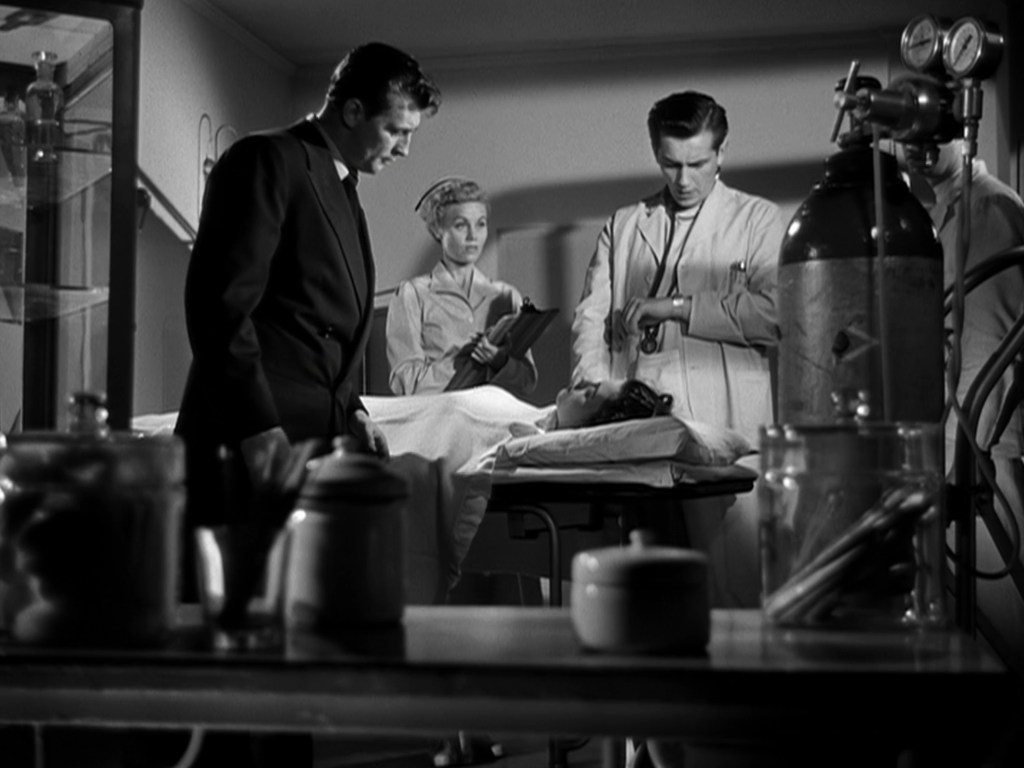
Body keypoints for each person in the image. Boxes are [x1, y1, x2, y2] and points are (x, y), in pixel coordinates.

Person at [172, 42, 441, 768]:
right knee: (233, 646)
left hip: (308, 440)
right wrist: (257, 428)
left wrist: (354, 414)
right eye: (395, 130)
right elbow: (222, 307)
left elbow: (317, 324)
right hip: (248, 438)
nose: (404, 149)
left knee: (288, 645)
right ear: (351, 110)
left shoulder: (341, 184)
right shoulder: (268, 160)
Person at [570, 90, 783, 608]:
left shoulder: (757, 219)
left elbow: (776, 314)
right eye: (671, 164)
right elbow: (591, 321)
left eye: (698, 164)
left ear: (721, 153)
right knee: (648, 588)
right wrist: (593, 393)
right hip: (642, 430)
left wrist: (677, 307)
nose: (684, 179)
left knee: (733, 587)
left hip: (725, 422)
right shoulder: (625, 225)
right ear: (656, 154)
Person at [900, 139, 1024, 681]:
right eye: (907, 134)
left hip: (981, 452)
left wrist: (968, 459)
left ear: (964, 129)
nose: (919, 146)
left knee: (998, 632)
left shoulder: (988, 208)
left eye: (933, 130)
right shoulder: (947, 214)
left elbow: (991, 348)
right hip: (957, 441)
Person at [386, 176, 538, 397]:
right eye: (460, 225)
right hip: (440, 416)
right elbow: (405, 382)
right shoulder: (412, 294)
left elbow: (528, 382)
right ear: (438, 230)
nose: (472, 236)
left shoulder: (506, 296)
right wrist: (467, 362)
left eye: (481, 224)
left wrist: (499, 360)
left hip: (495, 415)